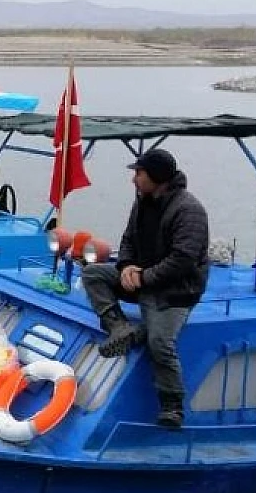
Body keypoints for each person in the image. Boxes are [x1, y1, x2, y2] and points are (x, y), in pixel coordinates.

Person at [80, 148, 209, 430]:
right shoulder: (143, 202)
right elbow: (127, 240)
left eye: (138, 173)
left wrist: (145, 277)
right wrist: (126, 266)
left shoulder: (190, 211)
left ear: (157, 177)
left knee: (160, 344)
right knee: (92, 274)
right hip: (140, 279)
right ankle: (119, 326)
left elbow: (183, 260)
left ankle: (172, 406)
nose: (134, 179)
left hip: (174, 292)